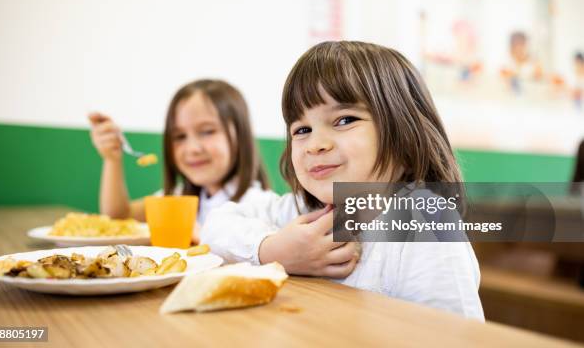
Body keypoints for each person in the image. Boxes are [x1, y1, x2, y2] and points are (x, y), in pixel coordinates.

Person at [202, 41, 484, 319]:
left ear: (406, 133)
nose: (315, 144)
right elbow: (216, 224)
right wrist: (272, 250)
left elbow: (455, 336)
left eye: (345, 120)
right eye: (302, 129)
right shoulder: (302, 211)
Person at [89, 79, 271, 242]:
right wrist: (112, 160)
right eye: (180, 136)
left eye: (207, 131)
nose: (192, 148)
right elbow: (119, 216)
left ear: (240, 135)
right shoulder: (178, 197)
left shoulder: (262, 207)